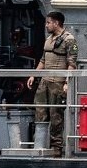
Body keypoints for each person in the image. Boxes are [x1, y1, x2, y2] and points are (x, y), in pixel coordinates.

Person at [27, 11, 77, 150]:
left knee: (56, 116)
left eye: (48, 22)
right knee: (40, 113)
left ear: (56, 23)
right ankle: (40, 146)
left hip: (58, 82)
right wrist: (33, 75)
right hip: (44, 81)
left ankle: (56, 148)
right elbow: (43, 60)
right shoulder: (49, 39)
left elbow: (72, 63)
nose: (46, 25)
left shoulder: (69, 39)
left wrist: (67, 82)